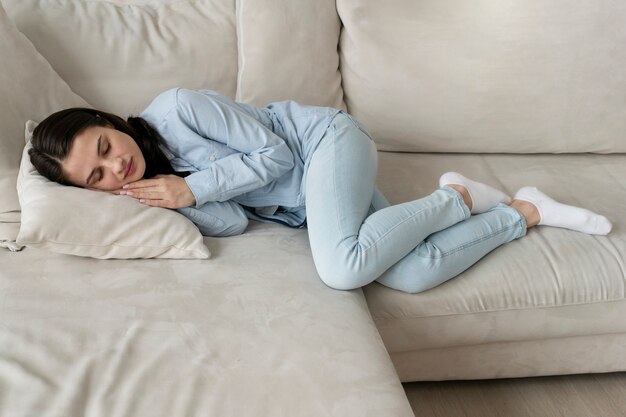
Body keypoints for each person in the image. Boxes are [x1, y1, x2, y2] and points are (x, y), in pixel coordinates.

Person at [28, 87, 613, 293]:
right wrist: (175, 202)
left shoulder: (179, 108)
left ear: (107, 120)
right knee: (411, 273)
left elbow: (275, 154)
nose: (114, 170)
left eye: (104, 148)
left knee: (342, 267)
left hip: (325, 144)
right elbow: (236, 222)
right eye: (96, 179)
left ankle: (455, 199)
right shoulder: (151, 183)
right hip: (308, 198)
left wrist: (194, 188)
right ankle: (526, 209)